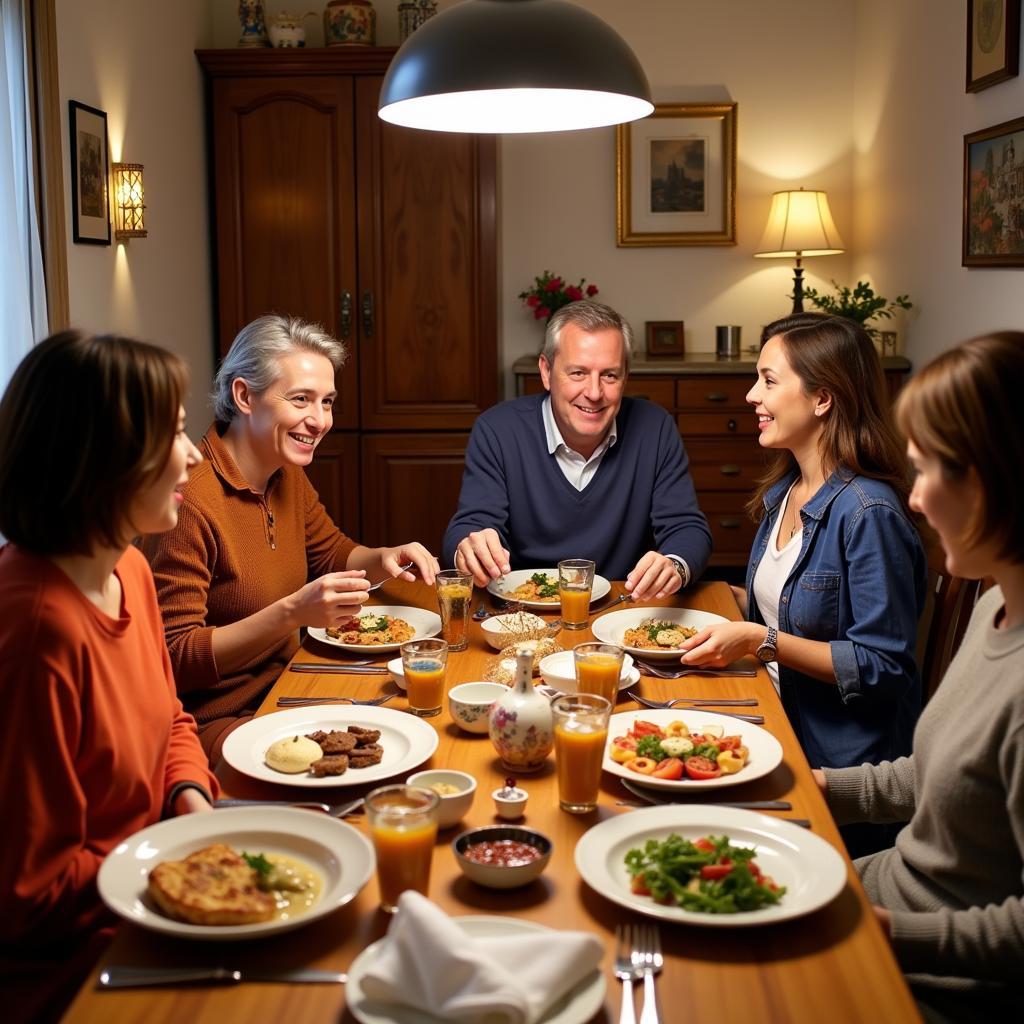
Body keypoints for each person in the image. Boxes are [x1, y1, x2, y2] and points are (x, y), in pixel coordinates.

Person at [0, 330, 218, 1023]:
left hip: (153, 895)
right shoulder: (38, 629)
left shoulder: (126, 566)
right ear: (103, 459)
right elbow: (29, 895)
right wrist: (176, 857)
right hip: (73, 969)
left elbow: (172, 719)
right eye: (174, 434)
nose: (193, 455)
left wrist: (191, 800)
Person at [816, 332, 1024, 1022]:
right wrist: (807, 788)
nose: (913, 499)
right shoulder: (994, 603)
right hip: (881, 894)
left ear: (999, 478)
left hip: (935, 978)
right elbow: (935, 781)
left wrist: (887, 935)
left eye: (932, 470)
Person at [678, 313, 926, 856]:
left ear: (822, 399)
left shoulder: (868, 514)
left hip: (833, 767)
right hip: (775, 715)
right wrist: (700, 601)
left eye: (768, 380)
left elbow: (884, 667)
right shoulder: (788, 489)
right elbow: (788, 603)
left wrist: (758, 640)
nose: (750, 395)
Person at [142, 314, 438, 764]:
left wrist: (384, 557)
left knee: (419, 726)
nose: (319, 420)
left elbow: (334, 553)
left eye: (328, 402)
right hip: (220, 723)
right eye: (301, 399)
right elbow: (175, 657)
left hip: (293, 685)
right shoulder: (190, 501)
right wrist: (291, 613)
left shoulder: (286, 473)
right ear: (244, 395)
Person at [442, 300, 712, 598]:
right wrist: (469, 549)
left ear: (625, 378)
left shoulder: (655, 427)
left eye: (609, 375)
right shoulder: (496, 430)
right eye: (578, 373)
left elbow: (687, 527)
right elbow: (470, 525)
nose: (594, 393)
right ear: (546, 371)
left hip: (621, 609)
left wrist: (674, 566)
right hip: (521, 609)